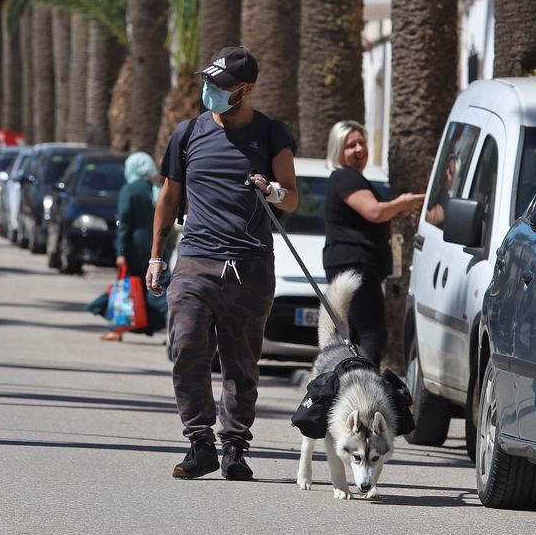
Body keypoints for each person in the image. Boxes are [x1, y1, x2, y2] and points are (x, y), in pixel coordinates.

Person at [148, 46, 298, 481]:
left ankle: (234, 446)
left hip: (249, 266)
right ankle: (200, 442)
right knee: (186, 348)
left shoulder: (271, 134)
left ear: (245, 89)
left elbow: (291, 196)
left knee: (241, 362)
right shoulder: (187, 134)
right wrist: (156, 256)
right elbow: (169, 197)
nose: (209, 89)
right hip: (195, 259)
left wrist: (272, 191)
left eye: (219, 84)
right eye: (208, 81)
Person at [321, 121, 424, 366]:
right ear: (338, 150)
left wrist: (399, 210)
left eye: (362, 143)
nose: (359, 149)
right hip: (356, 263)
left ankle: (350, 381)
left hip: (352, 262)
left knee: (355, 336)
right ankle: (365, 383)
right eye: (351, 145)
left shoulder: (350, 178)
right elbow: (375, 212)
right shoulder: (346, 177)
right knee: (370, 334)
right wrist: (403, 202)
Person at [100, 151, 168, 341]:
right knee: (158, 287)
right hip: (157, 245)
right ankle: (170, 329)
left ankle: (118, 329)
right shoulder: (157, 188)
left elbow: (124, 223)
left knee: (127, 286)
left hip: (135, 247)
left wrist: (121, 252)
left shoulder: (130, 189)